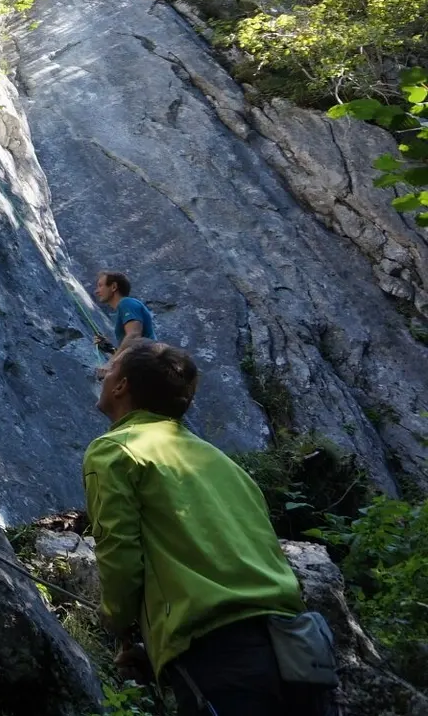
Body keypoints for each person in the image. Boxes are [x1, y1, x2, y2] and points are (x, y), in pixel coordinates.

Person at [85, 341, 335, 715]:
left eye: (111, 369)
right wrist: (157, 652)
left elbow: (118, 550)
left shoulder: (114, 451)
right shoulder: (224, 463)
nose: (103, 374)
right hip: (298, 647)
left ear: (121, 387)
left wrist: (117, 621)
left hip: (217, 652)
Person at [93, 270, 156, 356]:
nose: (96, 291)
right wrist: (111, 349)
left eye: (100, 286)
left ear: (114, 287)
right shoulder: (123, 308)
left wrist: (111, 363)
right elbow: (133, 347)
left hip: (149, 360)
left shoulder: (126, 303)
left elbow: (134, 335)